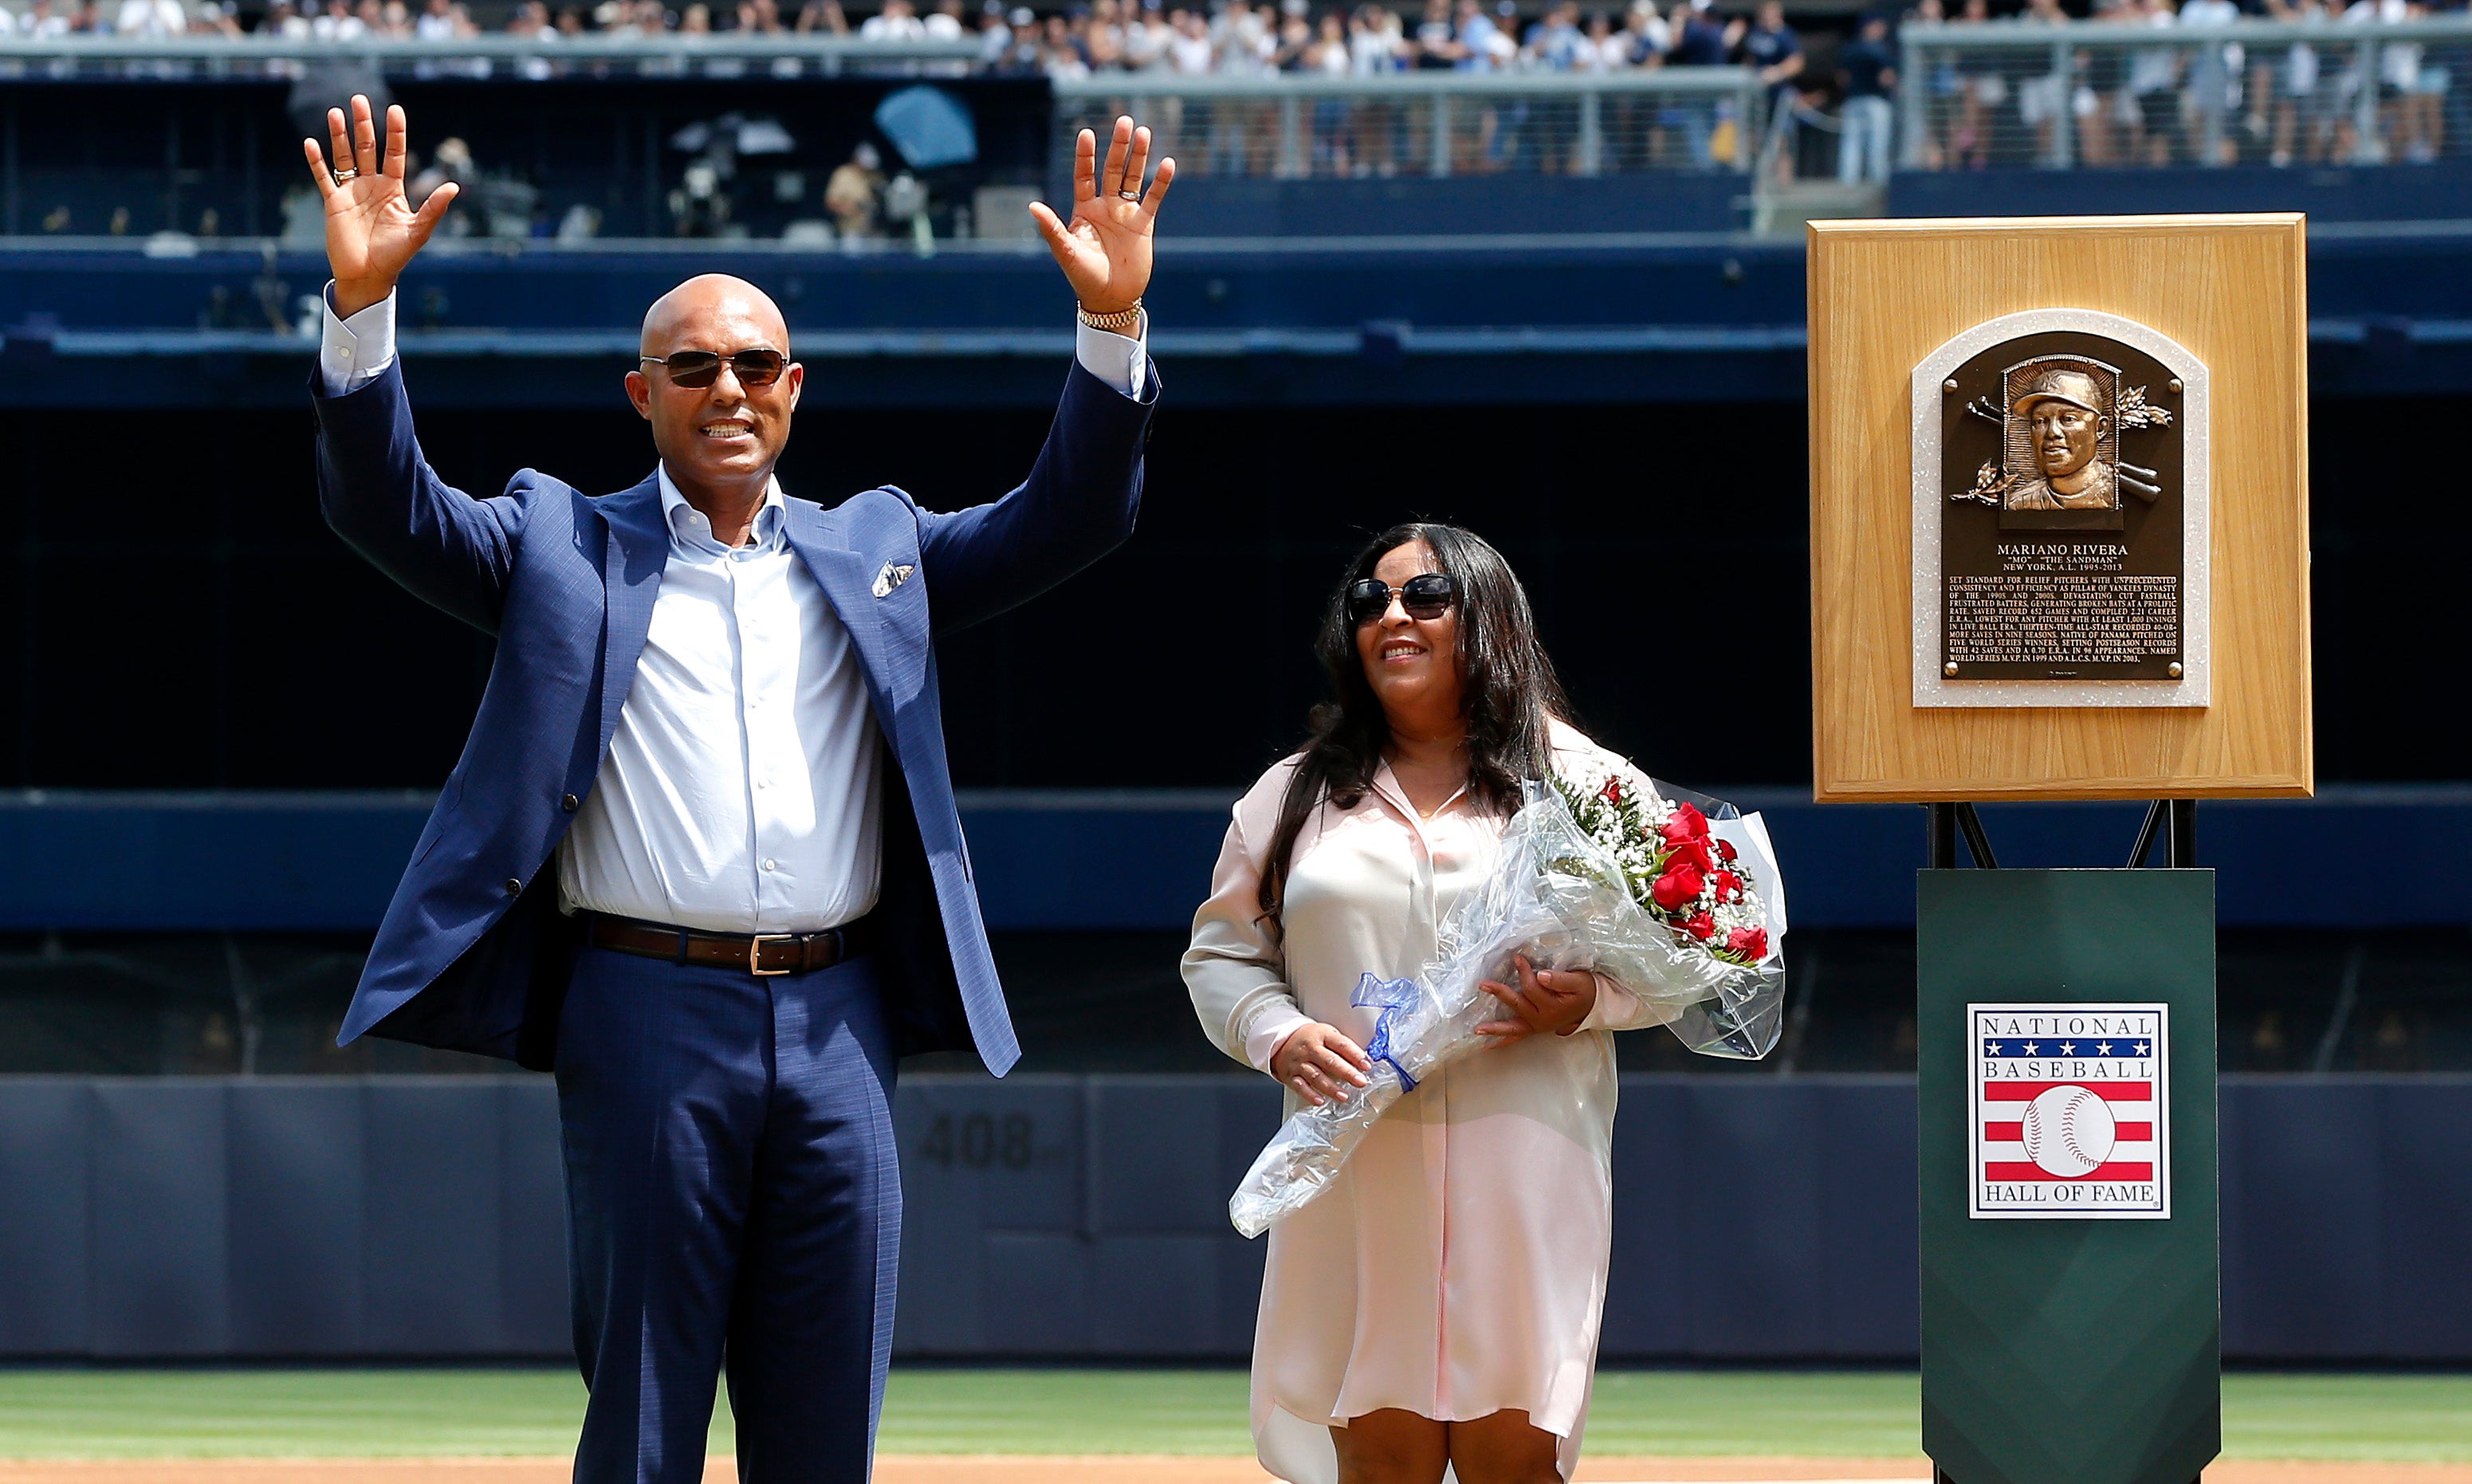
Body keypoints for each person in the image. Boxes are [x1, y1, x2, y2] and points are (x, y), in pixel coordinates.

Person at [301, 98, 1171, 1483]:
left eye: (754, 364)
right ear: (642, 396)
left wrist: (1110, 331)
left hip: (841, 1019)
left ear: (793, 387)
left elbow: (1068, 519)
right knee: (645, 1414)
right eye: (691, 366)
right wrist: (358, 311)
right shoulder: (557, 544)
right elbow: (385, 505)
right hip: (646, 1005)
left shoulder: (878, 545)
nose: (727, 388)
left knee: (828, 1420)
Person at [1185, 524, 1688, 1484]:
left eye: (1424, 596)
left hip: (1526, 1157)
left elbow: (1685, 954)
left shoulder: (1583, 784)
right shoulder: (1293, 796)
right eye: (1369, 601)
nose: (1391, 616)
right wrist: (1276, 1031)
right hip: (1356, 1168)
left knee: (1513, 1458)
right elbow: (1219, 956)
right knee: (1378, 1460)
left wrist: (1587, 998)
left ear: (1486, 617)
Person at [2004, 366, 2118, 512]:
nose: (2052, 432)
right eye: (2040, 421)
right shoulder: (2020, 502)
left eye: (2068, 419)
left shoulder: (2116, 493)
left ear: (2099, 428)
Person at [1837, 11, 1896, 183]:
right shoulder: (1881, 50)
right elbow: (1886, 78)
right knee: (1877, 143)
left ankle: (1847, 183)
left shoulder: (1850, 49)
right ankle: (1878, 182)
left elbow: (1842, 79)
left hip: (1853, 100)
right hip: (1876, 101)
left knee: (1851, 144)